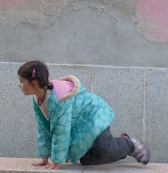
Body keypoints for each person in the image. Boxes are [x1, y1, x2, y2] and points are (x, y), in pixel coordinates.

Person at [18, 60, 150, 170]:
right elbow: (43, 129)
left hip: (94, 113)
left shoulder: (59, 99)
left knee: (103, 148)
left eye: (22, 81)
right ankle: (120, 145)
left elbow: (61, 130)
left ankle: (129, 144)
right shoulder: (37, 100)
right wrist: (44, 158)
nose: (20, 85)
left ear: (34, 83)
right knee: (88, 159)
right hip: (81, 124)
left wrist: (57, 161)